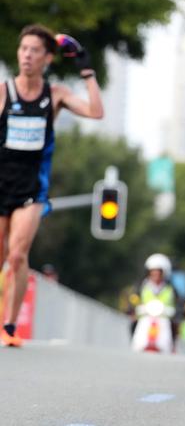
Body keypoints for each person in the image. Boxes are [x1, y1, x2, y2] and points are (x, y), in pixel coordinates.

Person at [0, 24, 103, 347]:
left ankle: (9, 326)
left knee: (17, 255)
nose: (27, 55)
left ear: (47, 58)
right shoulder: (4, 92)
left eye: (34, 50)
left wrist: (86, 71)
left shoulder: (54, 94)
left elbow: (96, 112)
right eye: (23, 49)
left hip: (32, 190)